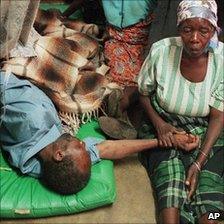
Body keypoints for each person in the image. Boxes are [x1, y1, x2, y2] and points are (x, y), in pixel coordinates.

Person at [0, 71, 199, 195]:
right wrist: (165, 141)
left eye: (80, 146)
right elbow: (107, 148)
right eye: (83, 147)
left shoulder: (33, 115)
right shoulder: (47, 167)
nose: (83, 143)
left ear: (59, 155)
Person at [137, 0, 224, 223]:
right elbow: (144, 94)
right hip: (165, 123)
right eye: (187, 29)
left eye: (203, 30)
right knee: (171, 185)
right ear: (179, 28)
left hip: (207, 129)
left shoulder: (222, 60)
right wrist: (161, 126)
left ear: (213, 29)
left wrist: (198, 162)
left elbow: (217, 117)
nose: (195, 38)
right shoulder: (161, 51)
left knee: (209, 199)